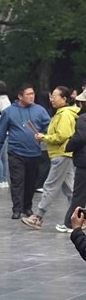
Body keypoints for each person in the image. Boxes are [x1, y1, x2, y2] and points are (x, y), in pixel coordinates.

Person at [23, 86, 79, 230]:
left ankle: (38, 217)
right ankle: (80, 218)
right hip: (63, 154)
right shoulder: (61, 113)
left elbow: (62, 136)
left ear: (64, 99)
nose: (52, 99)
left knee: (50, 186)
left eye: (55, 96)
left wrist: (44, 137)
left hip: (61, 154)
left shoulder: (65, 115)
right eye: (51, 96)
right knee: (71, 190)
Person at [0, 84, 50, 219]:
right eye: (28, 94)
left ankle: (27, 207)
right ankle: (17, 209)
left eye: (33, 93)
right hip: (16, 152)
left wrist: (44, 135)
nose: (32, 96)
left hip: (34, 152)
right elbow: (1, 131)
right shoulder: (9, 111)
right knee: (17, 181)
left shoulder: (40, 110)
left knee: (31, 182)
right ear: (20, 96)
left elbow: (48, 126)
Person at [63, 90, 86, 234]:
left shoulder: (83, 119)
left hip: (84, 162)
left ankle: (70, 223)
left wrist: (69, 146)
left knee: (79, 194)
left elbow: (80, 138)